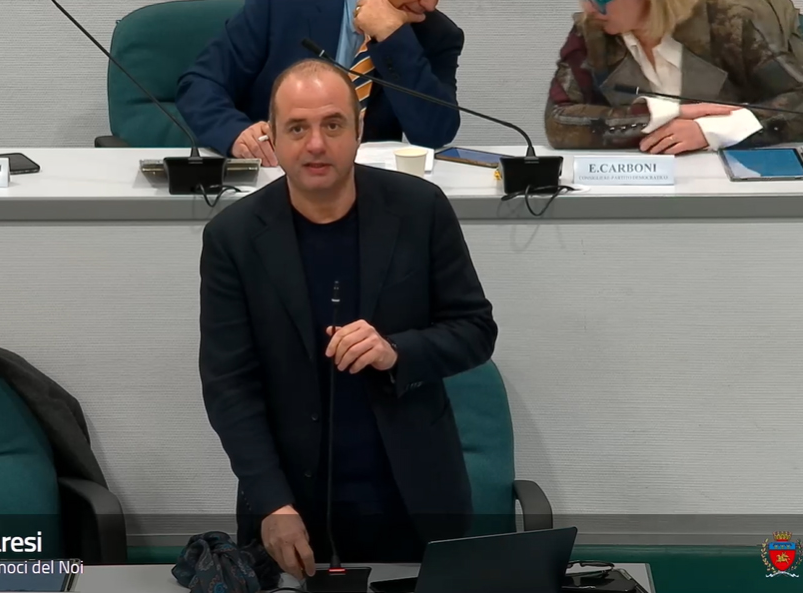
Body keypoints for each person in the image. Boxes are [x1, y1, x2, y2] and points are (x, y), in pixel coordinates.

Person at [197, 58, 497, 579]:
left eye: (333, 125)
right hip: (292, 505)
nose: (316, 144)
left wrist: (396, 351)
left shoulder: (420, 209)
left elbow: (475, 329)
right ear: (273, 139)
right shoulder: (234, 237)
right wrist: (272, 502)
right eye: (297, 128)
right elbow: (229, 384)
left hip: (414, 497)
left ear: (359, 129)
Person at [176, 0, 464, 166]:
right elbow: (200, 84)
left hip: (365, 192)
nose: (429, 4)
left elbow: (434, 133)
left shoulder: (436, 34)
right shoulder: (283, 6)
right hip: (273, 175)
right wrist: (236, 134)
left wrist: (392, 37)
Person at [545, 0, 803, 153]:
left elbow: (798, 102)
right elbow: (559, 121)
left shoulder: (729, 21)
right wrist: (659, 116)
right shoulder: (591, 32)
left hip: (738, 184)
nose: (589, 9)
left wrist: (710, 130)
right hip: (646, 184)